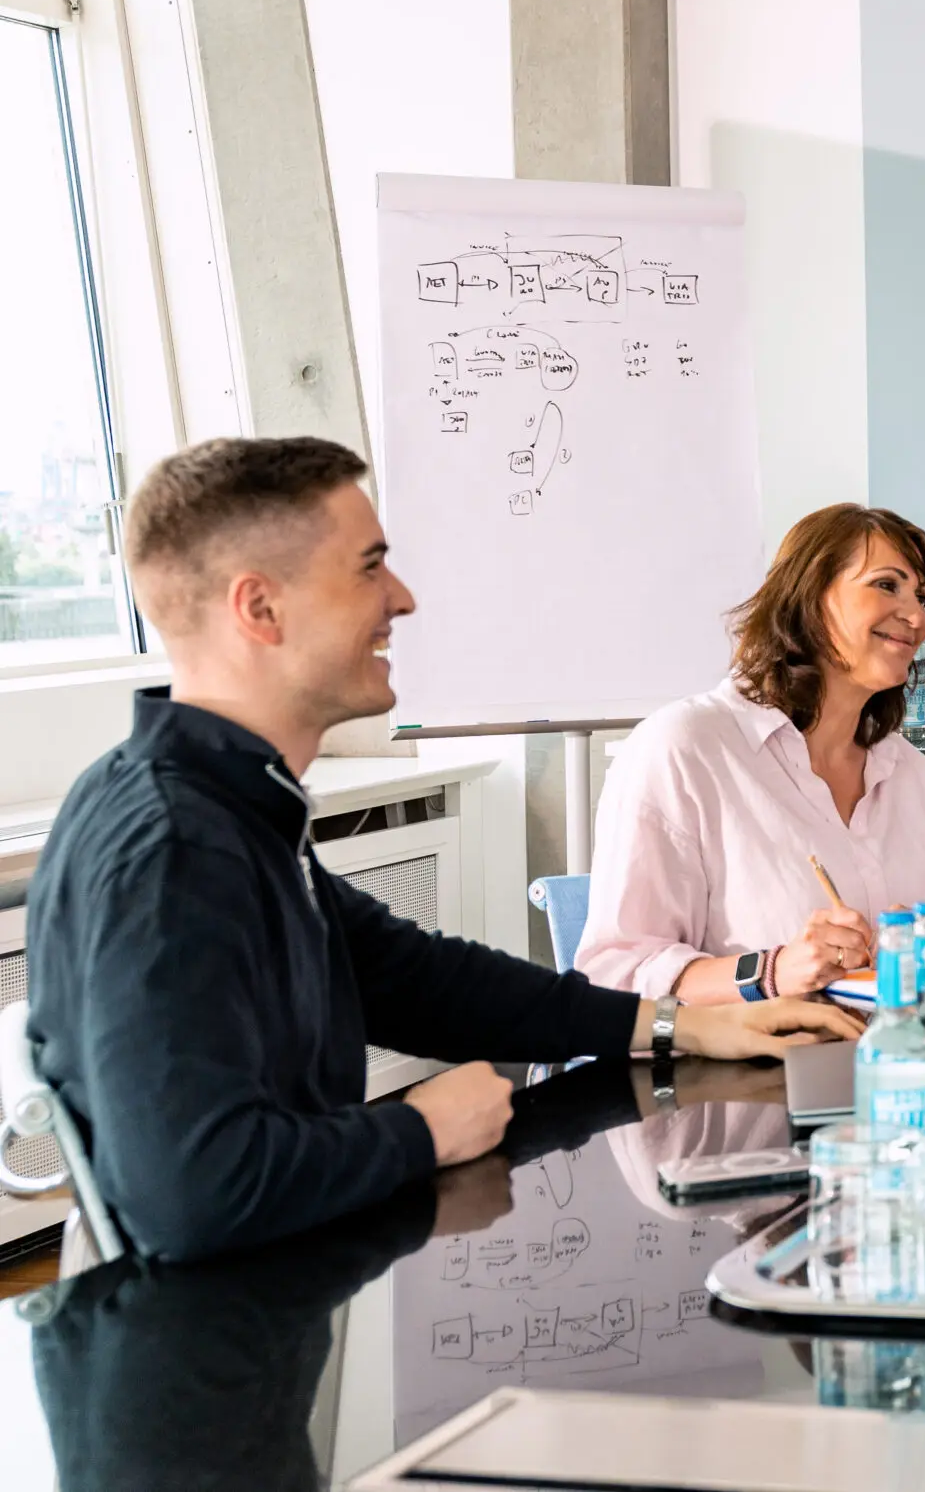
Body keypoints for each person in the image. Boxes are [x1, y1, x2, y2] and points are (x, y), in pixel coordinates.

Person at [23, 438, 860, 1263]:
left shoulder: (233, 808)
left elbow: (419, 980)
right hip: (191, 1367)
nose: (403, 597)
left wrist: (694, 1023)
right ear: (259, 608)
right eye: (368, 567)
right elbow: (192, 1192)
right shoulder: (173, 847)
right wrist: (421, 1129)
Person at [576, 503, 925, 1001]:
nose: (917, 617)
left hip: (903, 1063)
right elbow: (616, 972)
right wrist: (770, 972)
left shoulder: (910, 773)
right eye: (885, 585)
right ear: (810, 595)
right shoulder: (684, 748)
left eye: (920, 595)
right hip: (752, 1073)